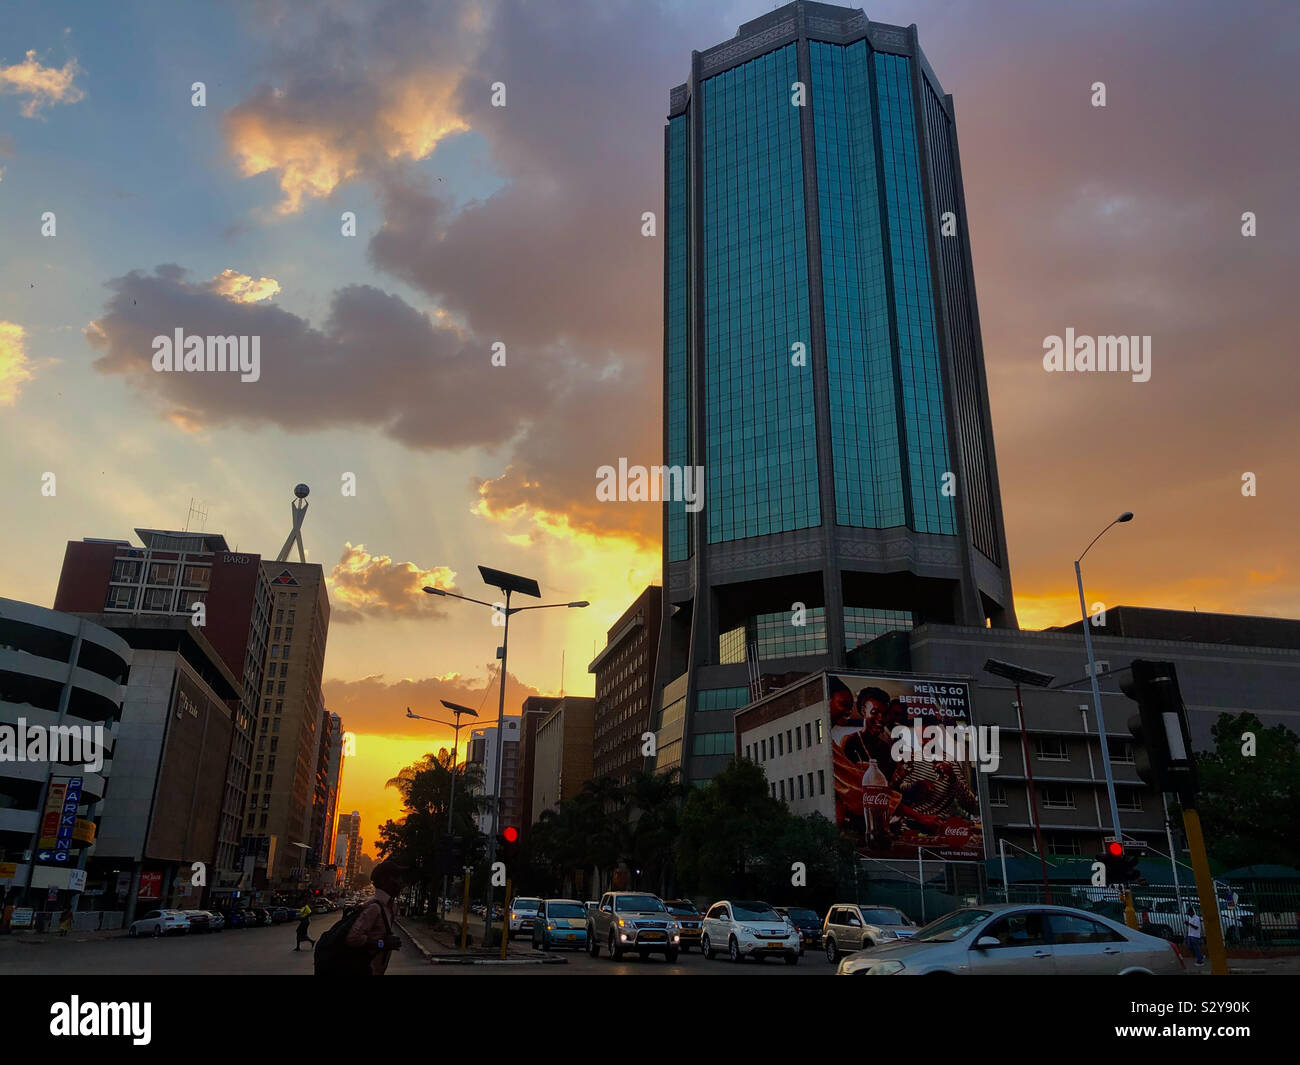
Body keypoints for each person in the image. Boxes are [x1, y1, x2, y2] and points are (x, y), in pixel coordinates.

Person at [344, 860, 406, 974]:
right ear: (384, 881)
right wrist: (383, 944)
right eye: (396, 877)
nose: (401, 882)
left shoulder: (390, 907)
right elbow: (353, 938)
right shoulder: (374, 908)